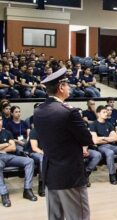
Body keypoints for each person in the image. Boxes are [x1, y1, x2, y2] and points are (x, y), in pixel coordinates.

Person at [34, 68, 93, 219]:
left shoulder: (39, 110)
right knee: (79, 216)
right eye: (67, 85)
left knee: (55, 217)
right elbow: (87, 139)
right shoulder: (68, 112)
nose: (70, 88)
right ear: (61, 87)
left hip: (50, 173)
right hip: (70, 175)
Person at [90, 105, 117, 185]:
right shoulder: (93, 124)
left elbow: (115, 138)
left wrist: (103, 138)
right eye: (104, 112)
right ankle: (112, 175)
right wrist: (108, 138)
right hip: (101, 147)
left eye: (106, 112)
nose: (106, 113)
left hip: (112, 145)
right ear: (98, 114)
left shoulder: (109, 124)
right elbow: (95, 141)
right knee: (110, 153)